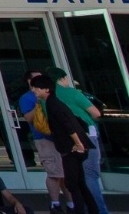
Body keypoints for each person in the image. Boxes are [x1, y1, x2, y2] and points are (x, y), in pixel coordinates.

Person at [30, 72, 99, 214]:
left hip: (72, 148)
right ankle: (93, 210)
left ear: (46, 89)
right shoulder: (51, 102)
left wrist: (78, 143)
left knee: (72, 183)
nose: (34, 90)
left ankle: (81, 210)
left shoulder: (53, 104)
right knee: (79, 183)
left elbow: (68, 125)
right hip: (71, 146)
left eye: (37, 88)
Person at [47, 69, 105, 213]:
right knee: (90, 175)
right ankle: (99, 210)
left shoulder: (47, 98)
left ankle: (83, 209)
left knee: (77, 177)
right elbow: (96, 113)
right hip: (84, 135)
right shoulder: (72, 93)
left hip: (64, 141)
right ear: (63, 78)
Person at [18, 74, 67, 214]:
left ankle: (71, 203)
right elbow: (28, 118)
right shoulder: (27, 98)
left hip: (61, 138)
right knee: (54, 173)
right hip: (43, 138)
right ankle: (55, 204)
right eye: (34, 80)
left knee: (66, 173)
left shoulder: (54, 95)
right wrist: (39, 103)